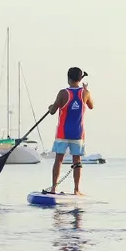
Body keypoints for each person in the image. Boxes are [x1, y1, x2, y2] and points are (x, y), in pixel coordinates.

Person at [45, 67, 94, 195]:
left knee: (59, 160)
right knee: (77, 160)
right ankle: (76, 190)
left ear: (68, 78)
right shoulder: (85, 93)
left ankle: (54, 188)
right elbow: (91, 106)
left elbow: (52, 111)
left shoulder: (63, 93)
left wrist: (50, 106)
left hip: (62, 133)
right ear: (80, 78)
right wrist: (86, 89)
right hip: (78, 134)